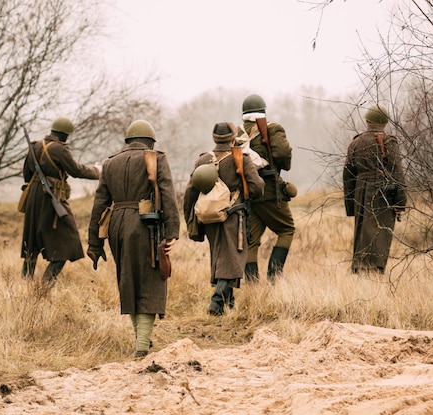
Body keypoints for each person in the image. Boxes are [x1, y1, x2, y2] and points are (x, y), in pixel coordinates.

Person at [87, 120, 180, 357]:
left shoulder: (110, 163)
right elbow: (168, 194)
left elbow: (99, 204)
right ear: (150, 140)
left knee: (128, 280)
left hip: (117, 225)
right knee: (150, 280)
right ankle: (142, 346)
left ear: (128, 140)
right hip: (146, 226)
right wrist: (172, 231)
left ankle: (142, 340)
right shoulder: (156, 158)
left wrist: (95, 242)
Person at [183, 122, 264, 316]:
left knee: (220, 256)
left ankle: (228, 305)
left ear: (214, 138)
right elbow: (257, 188)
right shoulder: (241, 159)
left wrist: (190, 220)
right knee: (233, 259)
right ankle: (216, 302)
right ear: (233, 138)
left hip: (208, 217)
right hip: (233, 216)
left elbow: (189, 193)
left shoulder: (202, 160)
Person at [21, 117, 100, 284]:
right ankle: (44, 286)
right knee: (68, 242)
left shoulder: (34, 147)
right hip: (51, 197)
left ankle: (25, 284)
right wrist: (98, 171)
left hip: (33, 198)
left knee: (32, 244)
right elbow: (77, 170)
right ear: (65, 135)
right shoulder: (59, 150)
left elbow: (26, 175)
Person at [236, 94, 296, 283]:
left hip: (248, 194)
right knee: (287, 229)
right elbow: (284, 156)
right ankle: (274, 276)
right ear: (263, 110)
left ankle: (253, 286)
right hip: (270, 193)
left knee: (251, 242)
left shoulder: (238, 133)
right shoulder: (272, 129)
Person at [343, 104, 407, 274]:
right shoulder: (389, 141)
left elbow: (348, 176)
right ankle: (374, 270)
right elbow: (397, 172)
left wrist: (350, 206)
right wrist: (400, 203)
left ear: (368, 121)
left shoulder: (355, 142)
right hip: (383, 192)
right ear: (385, 122)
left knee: (362, 232)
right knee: (380, 232)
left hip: (359, 192)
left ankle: (358, 267)